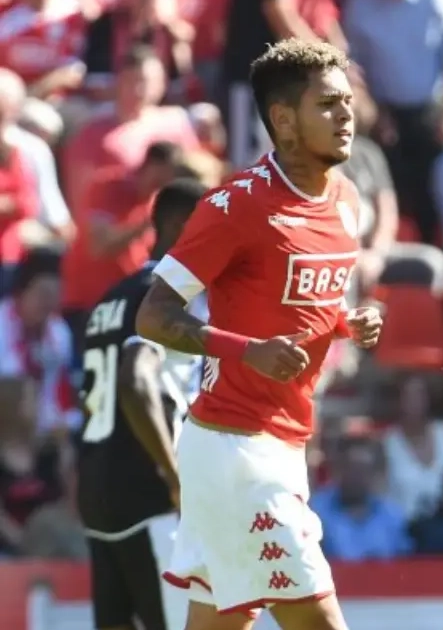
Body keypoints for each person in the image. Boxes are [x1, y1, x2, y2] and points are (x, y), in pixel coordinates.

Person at [132, 40, 383, 630]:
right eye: (327, 104)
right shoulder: (235, 205)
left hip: (283, 443)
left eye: (347, 102)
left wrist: (346, 322)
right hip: (235, 450)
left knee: (220, 622)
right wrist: (247, 352)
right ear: (284, 120)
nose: (345, 115)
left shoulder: (347, 200)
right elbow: (153, 316)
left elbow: (295, 302)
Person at [76, 178, 209, 630]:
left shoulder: (110, 298)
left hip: (98, 488)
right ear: (179, 225)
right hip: (149, 493)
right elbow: (135, 380)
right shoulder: (162, 300)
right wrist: (174, 476)